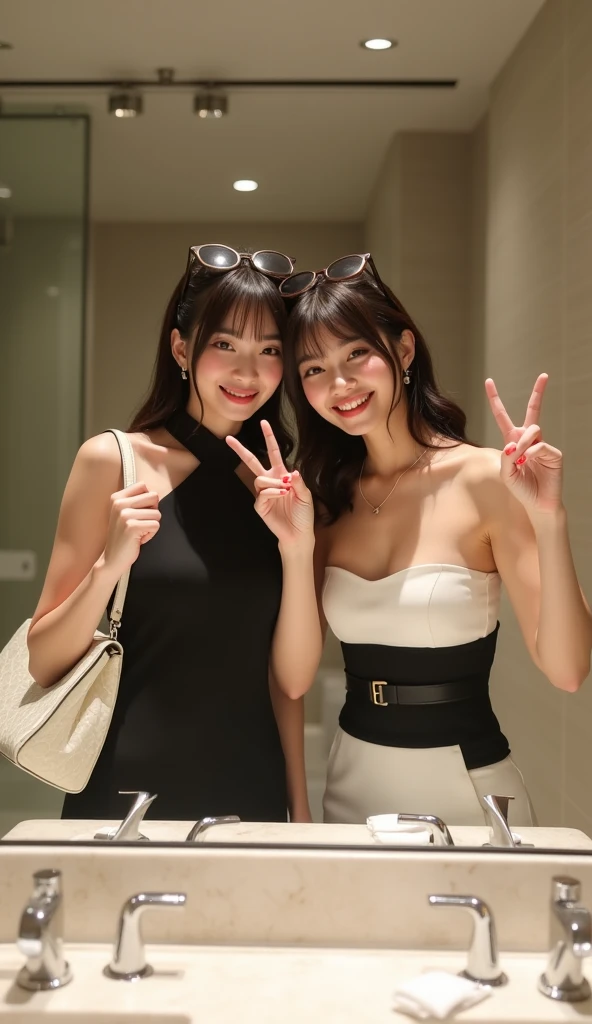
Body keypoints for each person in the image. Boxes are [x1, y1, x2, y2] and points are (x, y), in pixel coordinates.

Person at [227, 252, 592, 827]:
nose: (339, 384)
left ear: (402, 351)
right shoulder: (323, 503)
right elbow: (294, 679)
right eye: (314, 369)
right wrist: (296, 551)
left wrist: (551, 519)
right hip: (351, 792)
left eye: (356, 355)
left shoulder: (484, 479)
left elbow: (567, 670)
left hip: (472, 799)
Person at [27, 243, 311, 823]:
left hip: (249, 794)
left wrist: (299, 810)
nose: (246, 372)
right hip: (123, 795)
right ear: (182, 347)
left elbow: (289, 683)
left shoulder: (281, 487)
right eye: (224, 345)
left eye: (269, 350)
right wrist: (110, 565)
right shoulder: (112, 460)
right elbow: (42, 658)